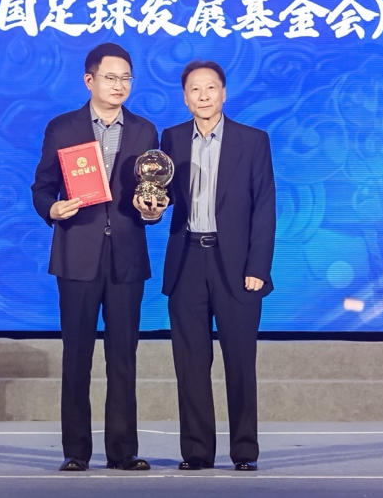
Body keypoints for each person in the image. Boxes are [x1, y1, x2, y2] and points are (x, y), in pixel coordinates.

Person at [31, 42, 167, 472]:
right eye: (111, 77)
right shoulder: (63, 128)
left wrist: (153, 210)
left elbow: (150, 192)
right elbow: (42, 187)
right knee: (77, 356)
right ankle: (76, 451)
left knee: (123, 357)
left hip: (126, 256)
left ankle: (123, 451)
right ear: (89, 80)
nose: (119, 85)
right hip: (77, 253)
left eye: (126, 78)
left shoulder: (145, 131)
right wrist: (52, 209)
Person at [160, 59, 276, 471]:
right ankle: (196, 452)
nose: (203, 95)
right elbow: (163, 196)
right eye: (195, 89)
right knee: (190, 363)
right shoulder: (171, 138)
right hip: (187, 260)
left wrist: (258, 266)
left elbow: (264, 207)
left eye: (211, 87)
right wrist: (150, 206)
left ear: (224, 93)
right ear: (185, 97)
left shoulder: (253, 140)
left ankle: (244, 451)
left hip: (238, 265)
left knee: (240, 361)